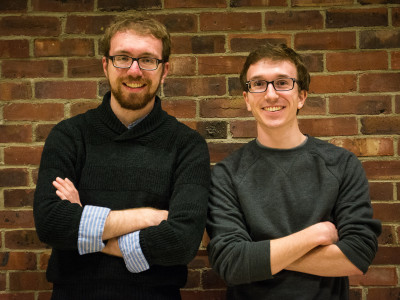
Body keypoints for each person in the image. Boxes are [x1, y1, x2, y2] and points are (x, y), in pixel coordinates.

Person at [33, 15, 210, 300]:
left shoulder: (187, 145)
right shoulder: (69, 136)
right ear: (106, 65)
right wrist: (147, 217)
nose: (135, 70)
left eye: (148, 60)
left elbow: (181, 242)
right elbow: (51, 223)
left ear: (164, 70)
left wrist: (86, 225)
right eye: (123, 58)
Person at [206, 43, 381, 300]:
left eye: (282, 83)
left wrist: (258, 255)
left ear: (301, 96)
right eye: (258, 84)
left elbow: (357, 255)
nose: (271, 94)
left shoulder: (341, 164)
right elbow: (231, 264)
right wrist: (315, 235)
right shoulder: (226, 174)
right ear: (247, 99)